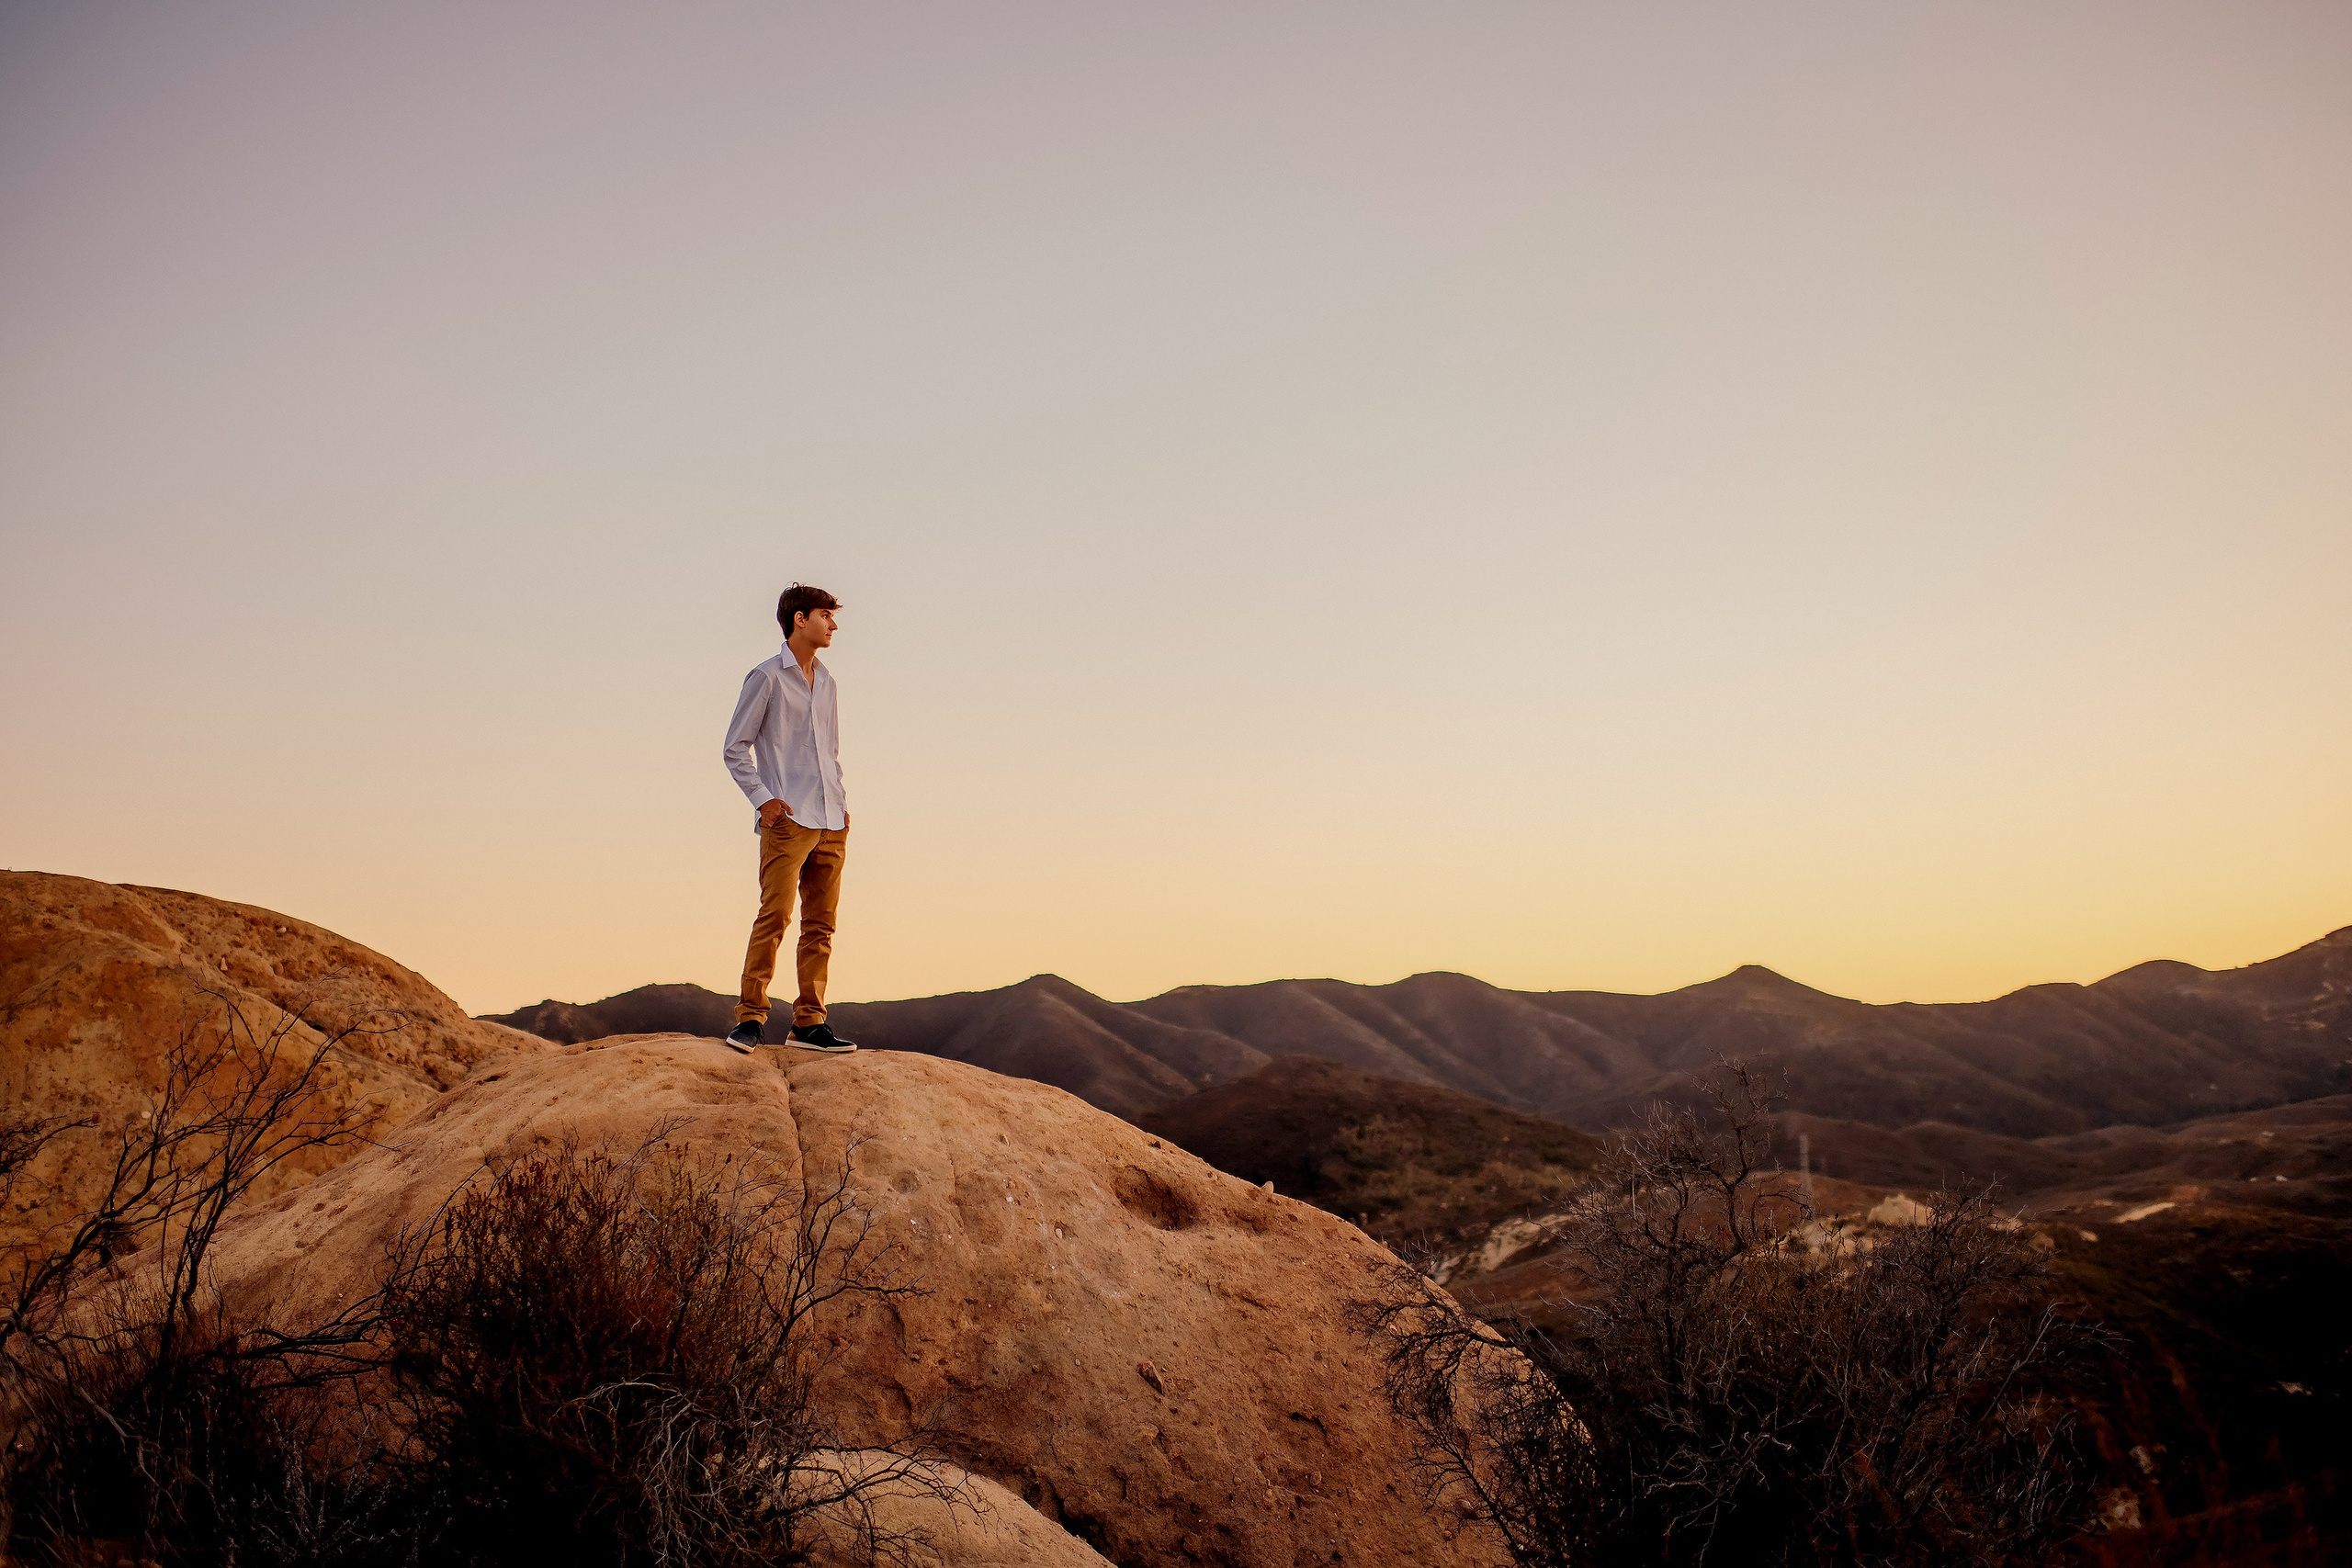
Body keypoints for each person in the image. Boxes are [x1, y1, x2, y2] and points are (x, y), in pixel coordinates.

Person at [719, 583, 858, 1055]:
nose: (833, 625)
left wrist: (841, 802)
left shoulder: (830, 683)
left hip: (831, 819)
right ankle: (751, 1018)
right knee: (775, 915)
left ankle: (809, 1023)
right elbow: (735, 748)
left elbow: (830, 752)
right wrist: (764, 800)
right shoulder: (766, 678)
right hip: (788, 819)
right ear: (800, 619)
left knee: (821, 925)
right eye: (825, 615)